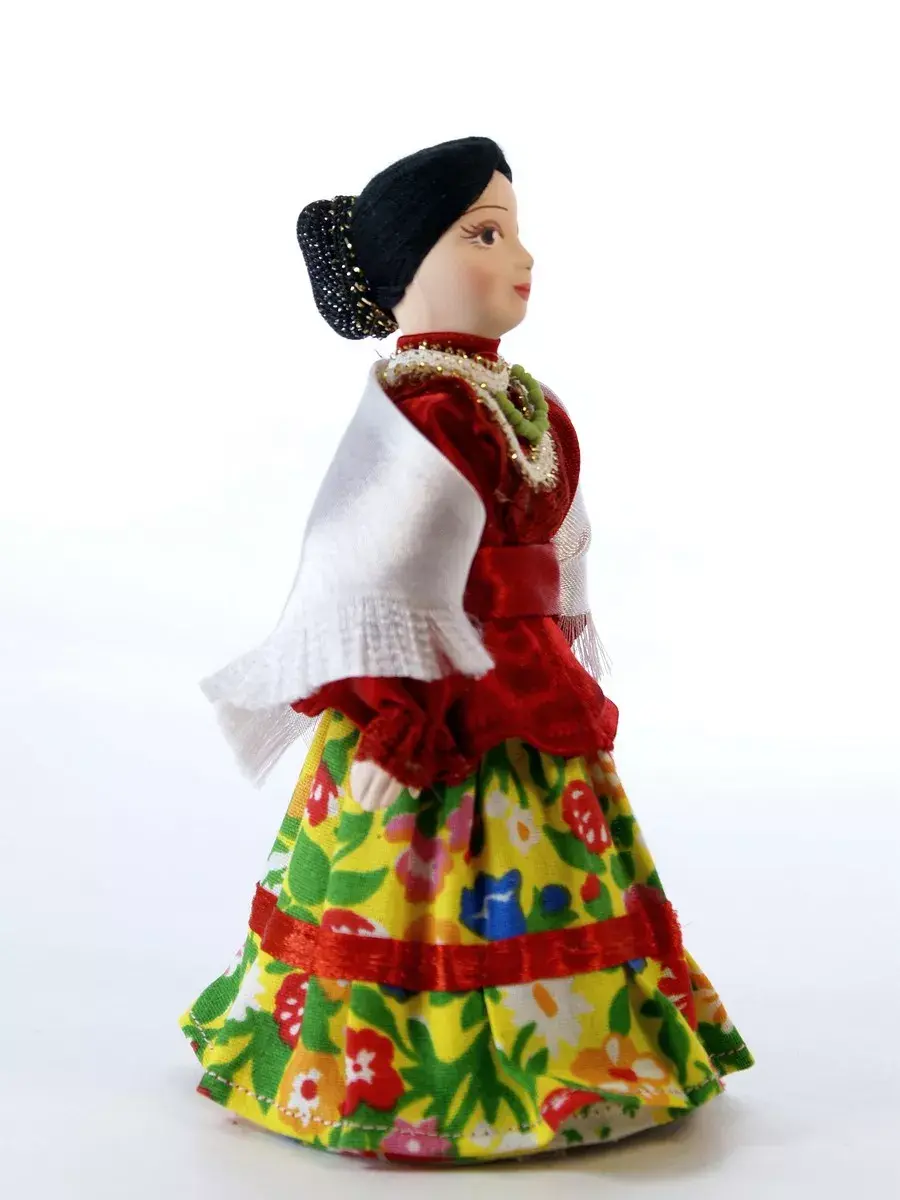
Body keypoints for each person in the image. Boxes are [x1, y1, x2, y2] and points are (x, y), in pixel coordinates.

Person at [181, 136, 753, 1163]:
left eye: (516, 232)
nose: (521, 257)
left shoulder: (520, 399)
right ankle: (406, 1072)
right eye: (484, 235)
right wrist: (398, 705)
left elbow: (561, 545)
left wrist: (555, 640)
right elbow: (370, 560)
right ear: (406, 271)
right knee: (417, 880)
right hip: (434, 696)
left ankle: (570, 1049)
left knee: (555, 863)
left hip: (526, 681)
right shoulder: (423, 406)